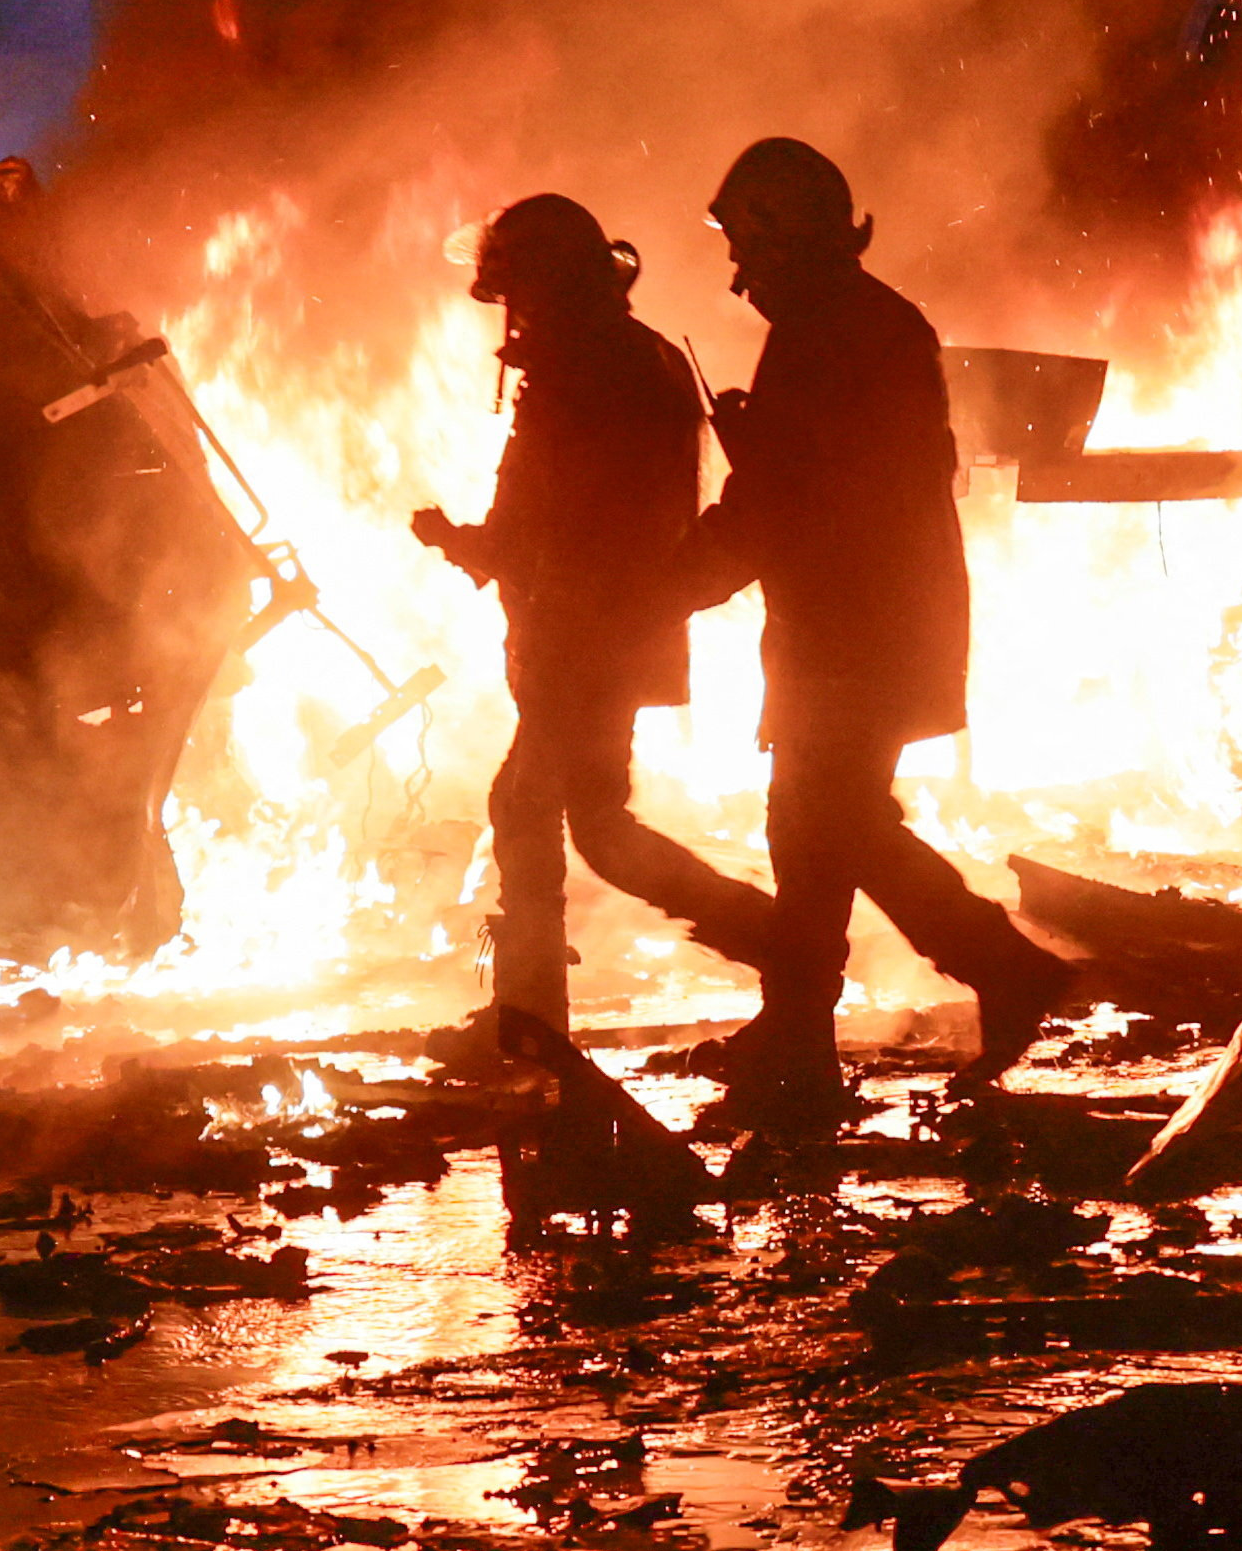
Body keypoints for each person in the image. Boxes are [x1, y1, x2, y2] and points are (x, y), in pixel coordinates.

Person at [674, 136, 1064, 1117]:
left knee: (831, 822)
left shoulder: (829, 330)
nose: (736, 273)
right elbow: (820, 474)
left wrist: (681, 578)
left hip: (859, 630)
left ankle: (1003, 971)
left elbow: (797, 496)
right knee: (814, 827)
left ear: (785, 235)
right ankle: (798, 1030)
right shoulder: (853, 320)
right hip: (864, 622)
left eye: (746, 246)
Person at [410, 193, 780, 1041]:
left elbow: (555, 527)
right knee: (597, 824)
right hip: (610, 627)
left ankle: (531, 1015)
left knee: (530, 807)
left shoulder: (584, 371)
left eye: (518, 292)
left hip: (585, 634)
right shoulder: (627, 355)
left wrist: (460, 542)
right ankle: (778, 946)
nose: (512, 313)